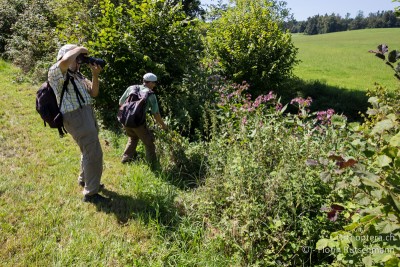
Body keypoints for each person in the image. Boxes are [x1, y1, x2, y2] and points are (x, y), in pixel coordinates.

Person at [48, 44, 109, 204]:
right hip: (75, 117)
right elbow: (65, 61)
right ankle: (91, 194)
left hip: (87, 113)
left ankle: (84, 180)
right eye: (77, 60)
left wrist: (95, 75)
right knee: (94, 154)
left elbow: (94, 93)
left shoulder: (79, 76)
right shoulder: (56, 74)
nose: (79, 62)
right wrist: (80, 49)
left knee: (87, 150)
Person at [119, 73, 167, 167]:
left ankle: (126, 159)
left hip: (125, 120)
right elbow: (156, 114)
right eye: (153, 83)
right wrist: (163, 125)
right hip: (138, 123)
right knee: (149, 142)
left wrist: (129, 114)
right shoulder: (150, 95)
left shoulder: (131, 88)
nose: (154, 85)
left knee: (133, 138)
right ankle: (152, 165)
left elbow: (121, 102)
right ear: (148, 83)